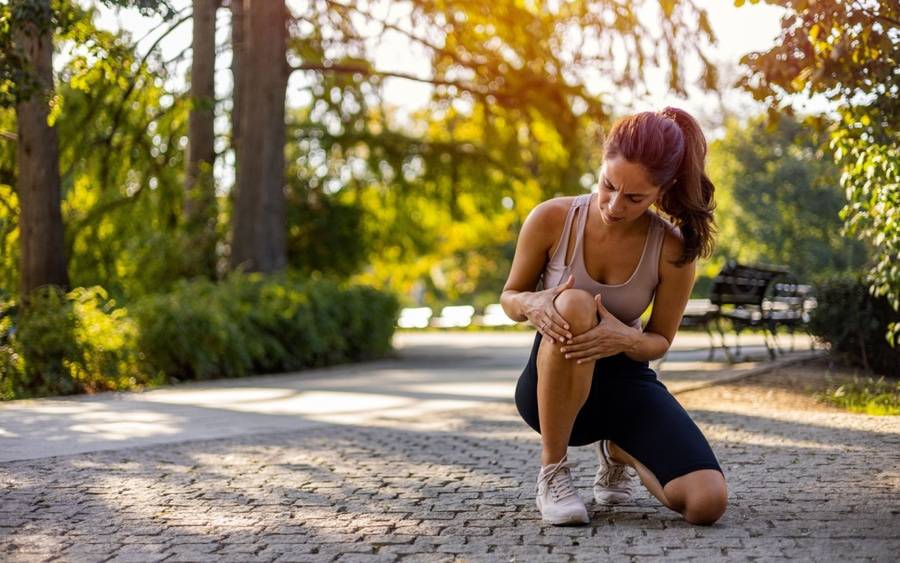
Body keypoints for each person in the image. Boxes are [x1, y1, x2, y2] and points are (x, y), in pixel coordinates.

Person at [499, 107, 727, 526]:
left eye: (635, 197)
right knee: (574, 304)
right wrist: (531, 303)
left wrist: (624, 339)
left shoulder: (672, 250)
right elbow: (509, 296)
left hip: (625, 386)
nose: (614, 205)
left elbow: (659, 341)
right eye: (608, 186)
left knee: (706, 502)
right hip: (550, 392)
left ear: (663, 189)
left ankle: (620, 448)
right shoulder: (552, 218)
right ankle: (553, 472)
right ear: (602, 163)